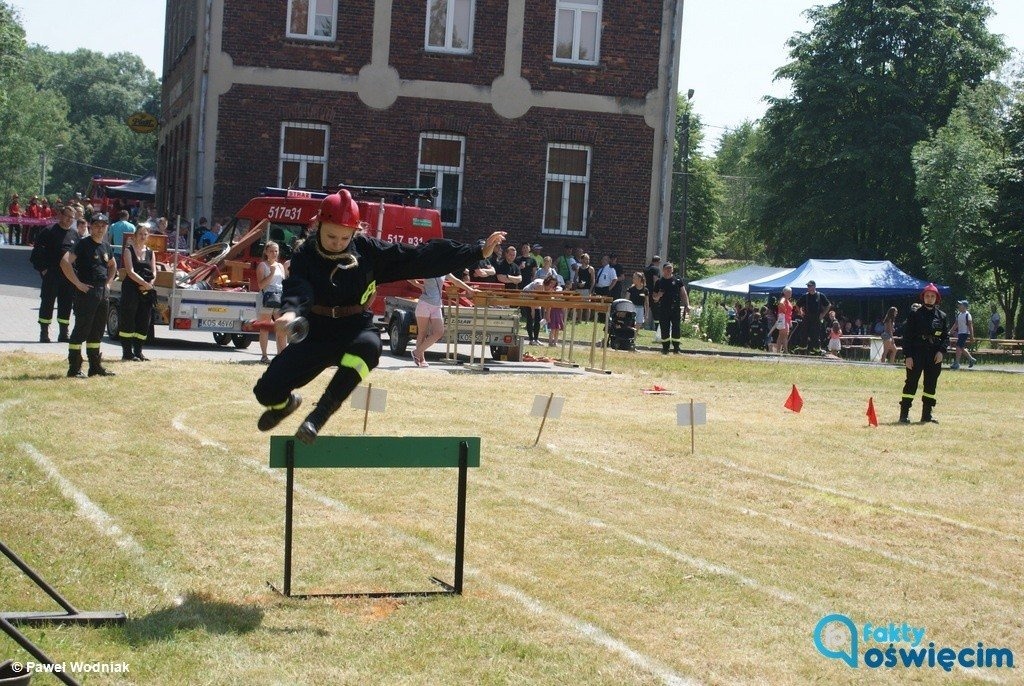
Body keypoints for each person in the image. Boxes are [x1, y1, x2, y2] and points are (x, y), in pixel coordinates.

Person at [252, 189, 505, 444]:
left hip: (355, 328)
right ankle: (285, 405)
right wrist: (291, 312)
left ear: (355, 231)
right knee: (266, 392)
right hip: (316, 332)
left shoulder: (368, 251)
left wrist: (476, 252)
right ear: (318, 226)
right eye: (331, 236)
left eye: (345, 237)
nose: (338, 243)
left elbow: (418, 257)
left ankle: (319, 415)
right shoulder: (305, 254)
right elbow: (299, 287)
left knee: (369, 348)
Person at [60, 213, 117, 378]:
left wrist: (108, 283)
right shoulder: (82, 244)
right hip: (87, 291)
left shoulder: (106, 246)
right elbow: (64, 262)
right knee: (81, 330)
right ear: (91, 227)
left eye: (103, 226)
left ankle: (95, 366)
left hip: (102, 292)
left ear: (107, 228)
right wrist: (77, 283)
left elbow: (113, 265)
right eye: (97, 225)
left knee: (97, 331)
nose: (100, 229)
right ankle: (74, 367)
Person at [898, 283, 948, 423]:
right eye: (927, 296)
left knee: (931, 384)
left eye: (932, 296)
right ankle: (904, 414)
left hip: (934, 355)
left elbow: (945, 337)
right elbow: (907, 337)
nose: (929, 298)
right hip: (916, 353)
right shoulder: (914, 314)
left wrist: (941, 351)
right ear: (923, 297)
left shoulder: (942, 316)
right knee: (911, 383)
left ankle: (927, 415)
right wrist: (908, 356)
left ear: (936, 298)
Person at [30, 205, 80, 342]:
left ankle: (63, 333)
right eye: (67, 216)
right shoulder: (48, 231)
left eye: (72, 217)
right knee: (47, 303)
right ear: (60, 215)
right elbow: (36, 254)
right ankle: (44, 333)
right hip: (52, 274)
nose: (69, 219)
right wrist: (43, 270)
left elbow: (77, 255)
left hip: (68, 276)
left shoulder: (74, 234)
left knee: (66, 304)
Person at [411, 272, 476, 367]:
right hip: (424, 303)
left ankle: (417, 352)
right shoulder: (426, 268)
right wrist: (419, 285)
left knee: (439, 332)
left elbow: (456, 281)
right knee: (422, 333)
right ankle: (421, 358)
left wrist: (469, 289)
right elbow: (409, 277)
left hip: (437, 305)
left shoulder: (444, 270)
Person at [118, 224, 157, 361]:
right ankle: (127, 353)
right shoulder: (128, 250)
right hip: (131, 289)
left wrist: (150, 285)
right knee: (128, 320)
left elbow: (154, 271)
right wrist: (144, 284)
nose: (142, 236)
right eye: (140, 234)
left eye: (145, 234)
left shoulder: (150, 252)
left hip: (146, 291)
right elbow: (130, 271)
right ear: (134, 236)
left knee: (144, 320)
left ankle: (138, 352)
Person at [256, 241, 288, 364]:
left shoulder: (280, 266)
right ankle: (264, 356)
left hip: (279, 298)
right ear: (266, 252)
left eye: (276, 251)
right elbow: (261, 286)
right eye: (271, 251)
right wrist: (272, 273)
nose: (274, 253)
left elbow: (282, 283)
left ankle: (282, 356)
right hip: (267, 299)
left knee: (282, 328)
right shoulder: (262, 266)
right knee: (265, 328)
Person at [652, 262, 687, 354]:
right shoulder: (659, 282)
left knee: (676, 328)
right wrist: (658, 296)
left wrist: (687, 305)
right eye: (667, 268)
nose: (669, 270)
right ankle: (665, 348)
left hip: (675, 308)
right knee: (664, 328)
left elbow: (683, 293)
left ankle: (676, 348)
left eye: (670, 268)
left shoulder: (678, 280)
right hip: (663, 308)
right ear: (663, 270)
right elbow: (654, 297)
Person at [795, 280, 831, 354]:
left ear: (814, 286)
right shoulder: (805, 296)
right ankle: (802, 349)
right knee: (804, 334)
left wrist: (823, 314)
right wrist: (800, 312)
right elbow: (797, 305)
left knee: (815, 335)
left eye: (810, 286)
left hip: (816, 318)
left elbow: (828, 305)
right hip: (807, 317)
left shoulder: (820, 295)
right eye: (808, 286)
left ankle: (816, 350)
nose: (808, 287)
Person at [948, 299, 977, 370]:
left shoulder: (967, 315)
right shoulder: (959, 314)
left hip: (965, 333)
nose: (959, 306)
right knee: (961, 348)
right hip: (960, 333)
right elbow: (956, 324)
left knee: (958, 347)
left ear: (964, 306)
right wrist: (950, 332)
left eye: (960, 305)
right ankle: (971, 359)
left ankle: (957, 363)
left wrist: (972, 336)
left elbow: (970, 326)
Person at [644, 256, 662, 330]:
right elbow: (655, 280)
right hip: (652, 292)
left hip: (645, 291)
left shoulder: (645, 269)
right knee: (655, 311)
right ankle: (657, 328)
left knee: (645, 309)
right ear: (658, 261)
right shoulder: (656, 269)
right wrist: (657, 292)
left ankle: (640, 325)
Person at [774, 286, 793, 354]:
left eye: (791, 292)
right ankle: (785, 351)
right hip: (784, 319)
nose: (791, 293)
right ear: (785, 293)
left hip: (786, 319)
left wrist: (790, 321)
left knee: (781, 336)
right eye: (789, 292)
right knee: (784, 336)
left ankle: (778, 351)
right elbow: (781, 303)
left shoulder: (787, 300)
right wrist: (784, 310)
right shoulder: (783, 299)